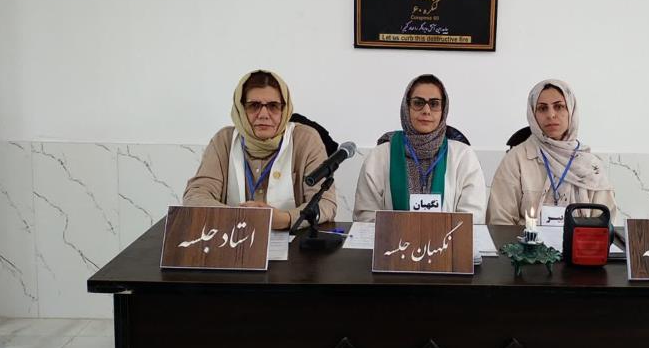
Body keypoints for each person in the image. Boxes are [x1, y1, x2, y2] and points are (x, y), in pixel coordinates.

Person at [183, 69, 337, 229]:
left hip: (292, 239)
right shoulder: (224, 140)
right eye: (254, 106)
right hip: (232, 238)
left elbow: (326, 204)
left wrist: (285, 219)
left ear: (284, 110)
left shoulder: (305, 139)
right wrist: (238, 217)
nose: (263, 114)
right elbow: (195, 196)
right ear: (241, 109)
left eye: (273, 106)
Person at [353, 74, 486, 222]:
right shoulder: (380, 156)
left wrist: (439, 234)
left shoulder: (463, 156)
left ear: (443, 110)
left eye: (434, 104)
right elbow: (365, 216)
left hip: (449, 237)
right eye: (418, 103)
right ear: (406, 107)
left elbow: (472, 218)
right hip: (390, 237)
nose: (426, 110)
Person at [486, 79, 616, 225]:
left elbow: (605, 223)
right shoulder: (516, 159)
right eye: (542, 108)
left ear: (571, 110)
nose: (551, 114)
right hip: (525, 240)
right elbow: (500, 221)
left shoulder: (591, 165)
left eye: (559, 106)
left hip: (582, 240)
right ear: (533, 114)